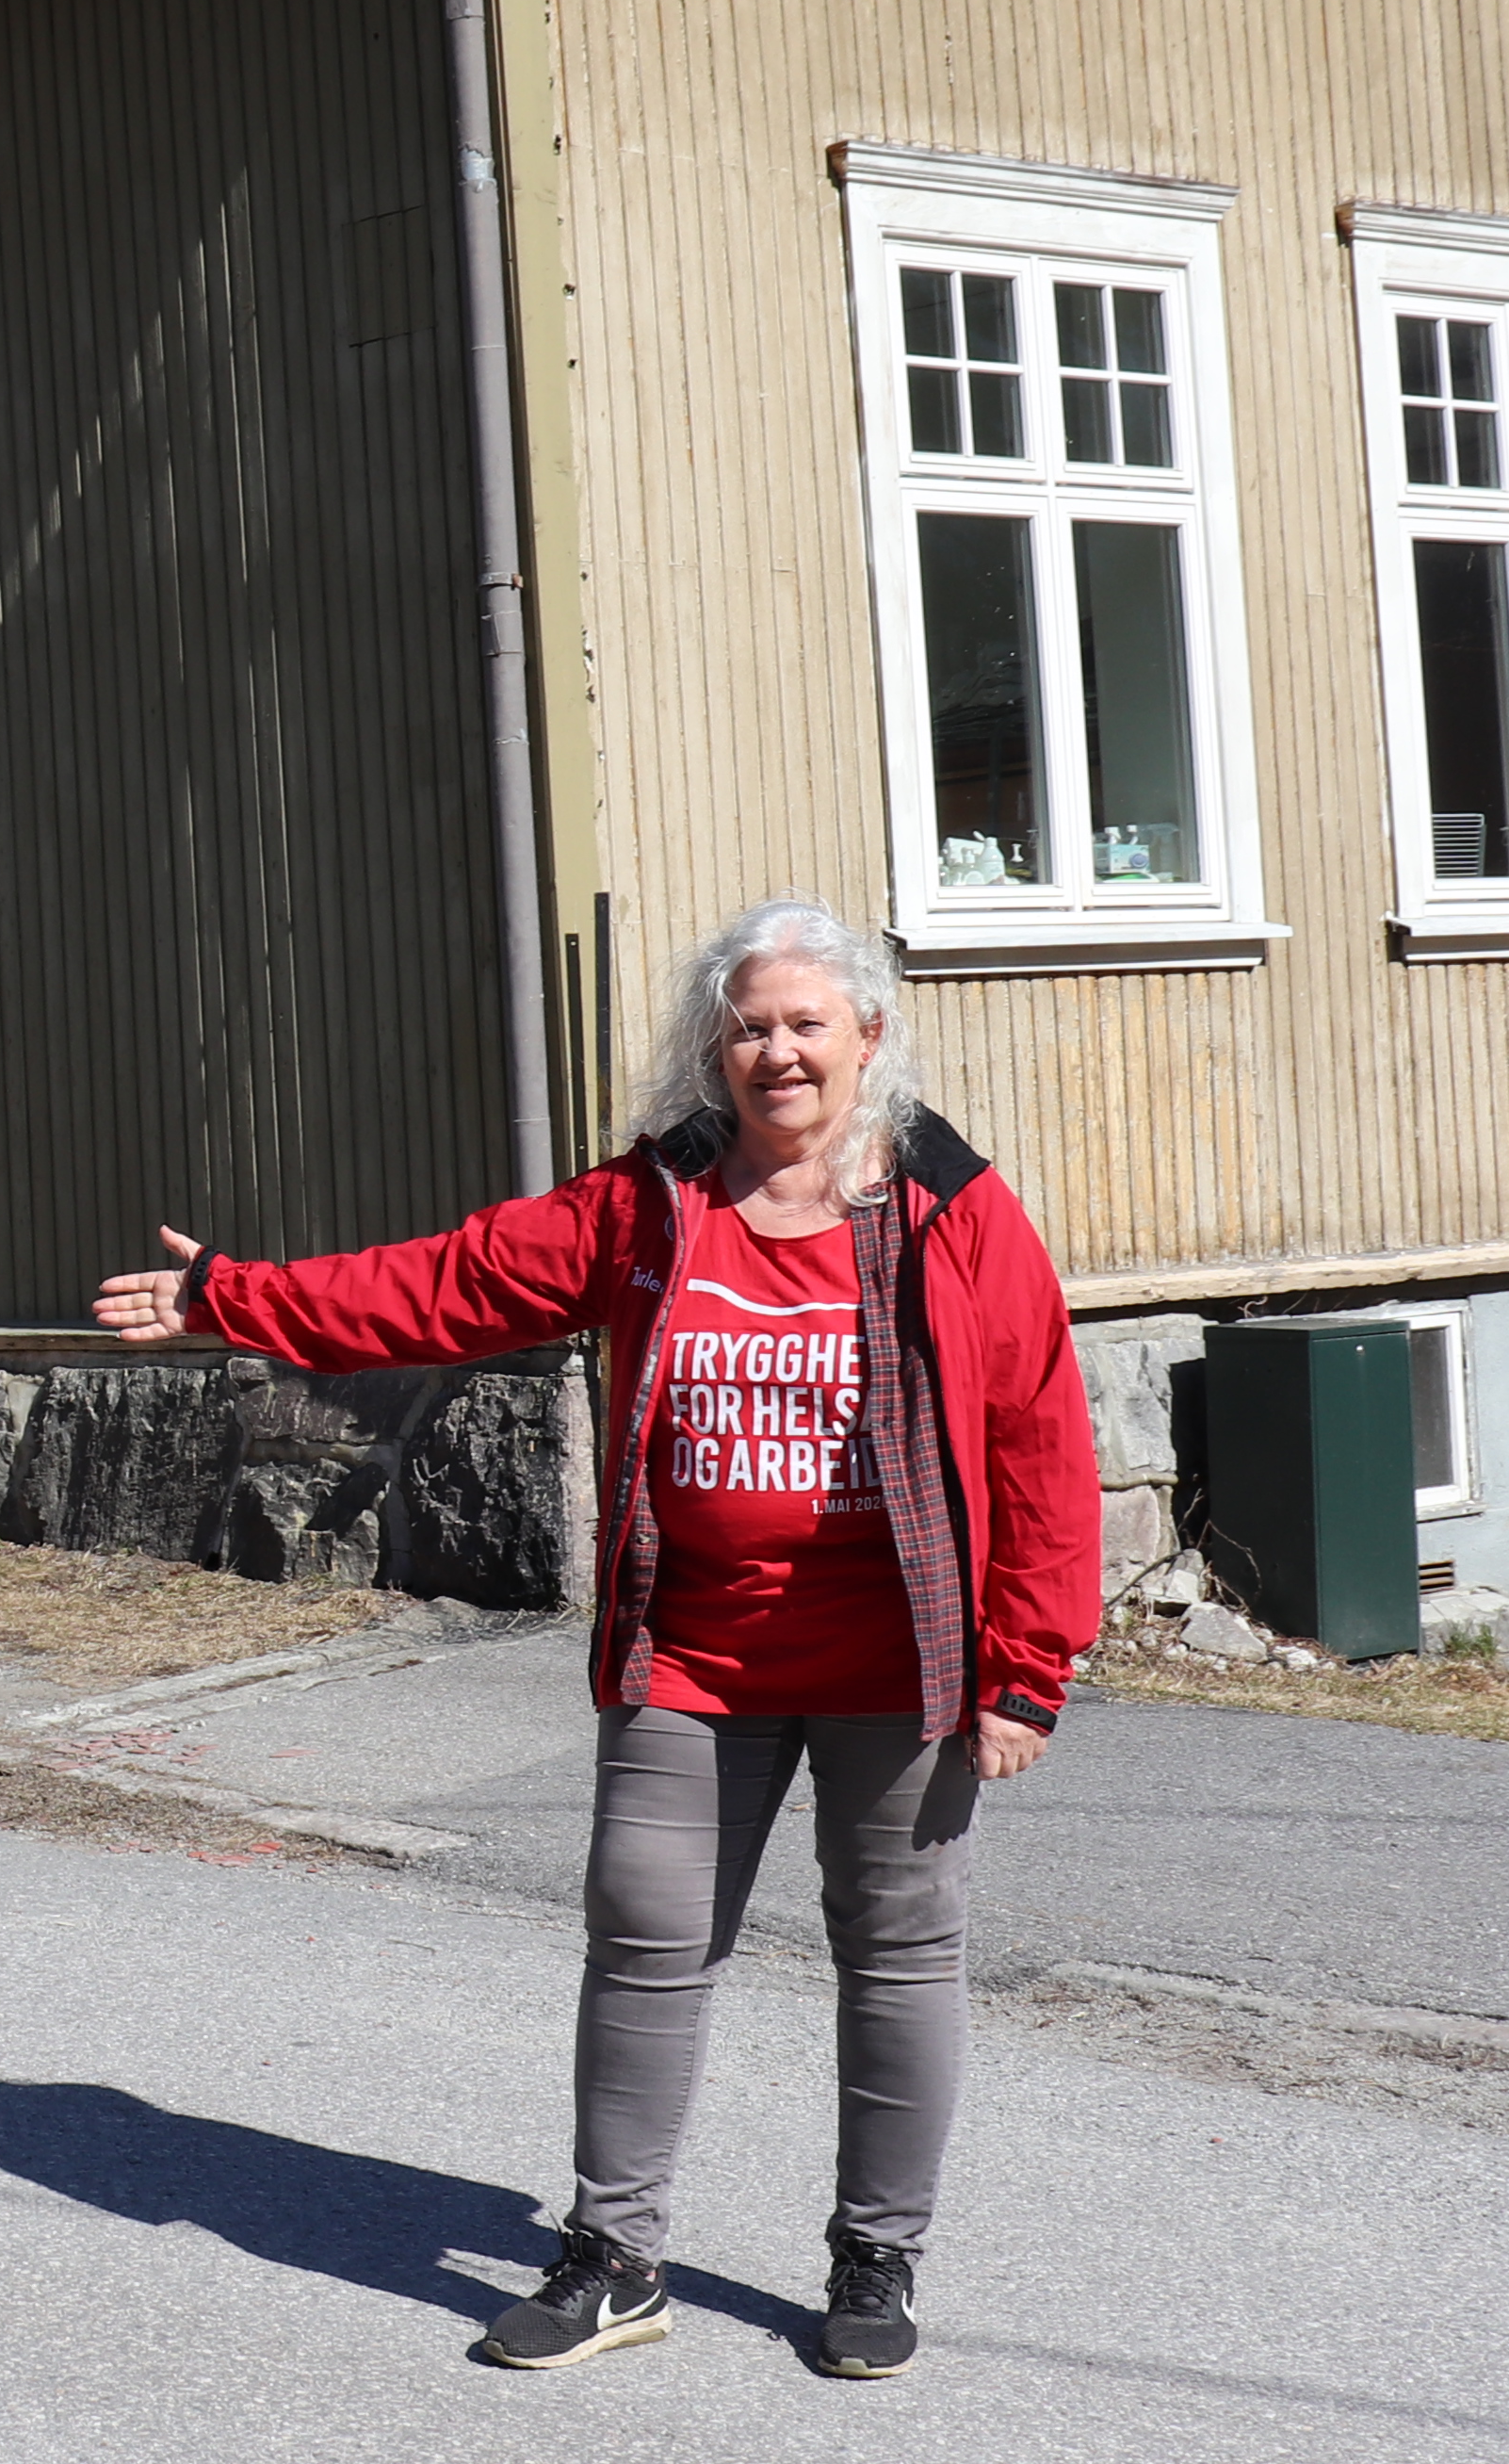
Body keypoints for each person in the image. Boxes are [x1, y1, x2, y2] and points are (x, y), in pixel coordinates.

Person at [89, 895, 1095, 2378]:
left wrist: (1027, 1667)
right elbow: (451, 1279)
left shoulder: (953, 1214)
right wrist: (235, 1295)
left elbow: (1039, 1441)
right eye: (747, 1027)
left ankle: (874, 2261)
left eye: (806, 1023)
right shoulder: (652, 1206)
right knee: (642, 1939)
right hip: (691, 1656)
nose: (776, 1052)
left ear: (868, 1036)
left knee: (898, 1956)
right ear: (716, 1050)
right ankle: (617, 2255)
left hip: (902, 1661)